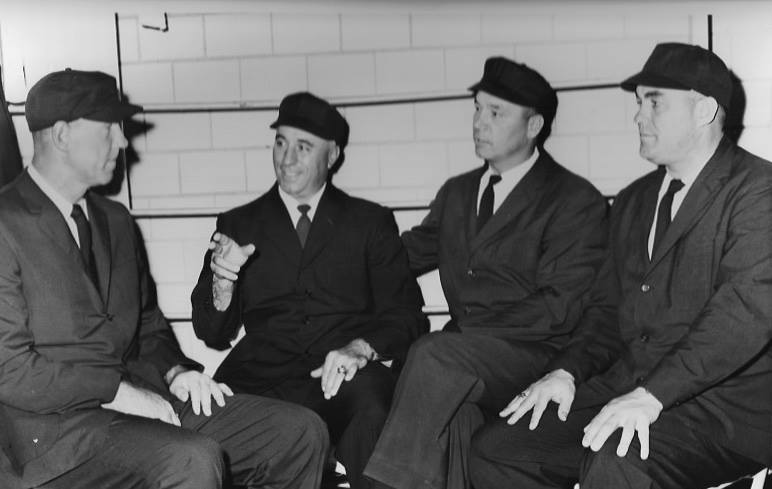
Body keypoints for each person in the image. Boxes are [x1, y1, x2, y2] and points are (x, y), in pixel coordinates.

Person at [0, 69, 329, 489]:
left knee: (299, 433)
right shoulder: (6, 222)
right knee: (191, 459)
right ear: (62, 134)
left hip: (137, 401)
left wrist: (175, 371)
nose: (122, 141)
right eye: (108, 129)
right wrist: (116, 392)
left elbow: (148, 326)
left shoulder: (116, 221)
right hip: (54, 435)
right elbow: (11, 371)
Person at [469, 42, 772, 489]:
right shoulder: (633, 201)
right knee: (498, 450)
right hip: (630, 388)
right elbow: (607, 310)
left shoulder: (758, 190)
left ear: (704, 111)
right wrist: (566, 372)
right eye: (639, 102)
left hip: (722, 410)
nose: (638, 117)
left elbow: (742, 315)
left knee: (617, 461)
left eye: (655, 102)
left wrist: (652, 395)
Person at [363, 57, 608, 489]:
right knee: (458, 417)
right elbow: (400, 259)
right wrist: (340, 259)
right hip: (468, 357)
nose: (479, 122)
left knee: (434, 356)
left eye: (496, 113)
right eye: (477, 108)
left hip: (537, 356)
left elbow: (559, 308)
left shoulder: (574, 200)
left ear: (534, 126)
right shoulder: (457, 193)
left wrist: (465, 333)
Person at [190, 91, 427, 489]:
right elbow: (210, 332)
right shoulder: (238, 224)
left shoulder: (369, 222)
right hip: (260, 378)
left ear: (332, 155)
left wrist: (360, 348)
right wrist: (222, 280)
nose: (287, 159)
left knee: (375, 402)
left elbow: (407, 317)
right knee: (208, 429)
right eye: (281, 143)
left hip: (343, 375)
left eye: (303, 147)